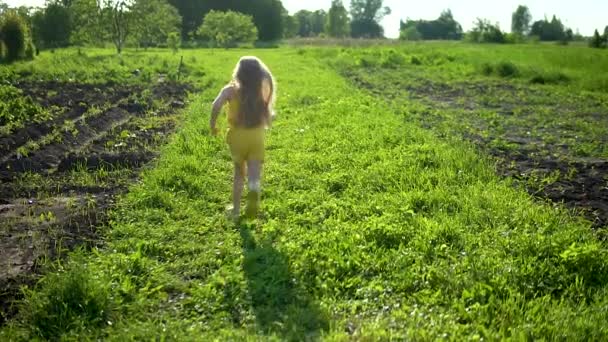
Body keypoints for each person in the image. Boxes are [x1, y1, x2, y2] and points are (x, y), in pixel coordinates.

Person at [210, 56, 276, 219]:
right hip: (256, 136)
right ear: (258, 74)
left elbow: (216, 105)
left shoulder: (230, 90)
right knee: (254, 173)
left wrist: (213, 124)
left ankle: (236, 210)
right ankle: (253, 198)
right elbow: (270, 115)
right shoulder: (259, 90)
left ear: (238, 73)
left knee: (239, 174)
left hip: (237, 137)